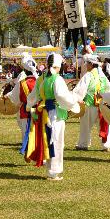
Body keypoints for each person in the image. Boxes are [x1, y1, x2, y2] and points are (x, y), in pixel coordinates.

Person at [23, 53, 81, 181]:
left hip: (43, 112)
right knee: (56, 141)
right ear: (57, 65)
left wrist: (29, 105)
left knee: (48, 139)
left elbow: (33, 96)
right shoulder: (57, 79)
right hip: (55, 113)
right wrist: (73, 103)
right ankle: (54, 171)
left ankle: (50, 169)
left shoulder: (41, 78)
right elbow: (61, 96)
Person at [72, 53, 110, 151]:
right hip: (102, 105)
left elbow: (80, 90)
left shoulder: (88, 75)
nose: (86, 66)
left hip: (89, 105)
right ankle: (106, 145)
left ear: (91, 64)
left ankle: (83, 144)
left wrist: (76, 99)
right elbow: (109, 89)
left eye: (87, 64)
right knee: (104, 124)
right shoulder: (103, 76)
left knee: (85, 126)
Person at [6, 54, 38, 148]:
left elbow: (14, 97)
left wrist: (5, 96)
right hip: (38, 109)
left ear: (25, 70)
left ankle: (28, 145)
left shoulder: (22, 83)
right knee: (37, 128)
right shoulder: (40, 81)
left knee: (25, 128)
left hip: (25, 110)